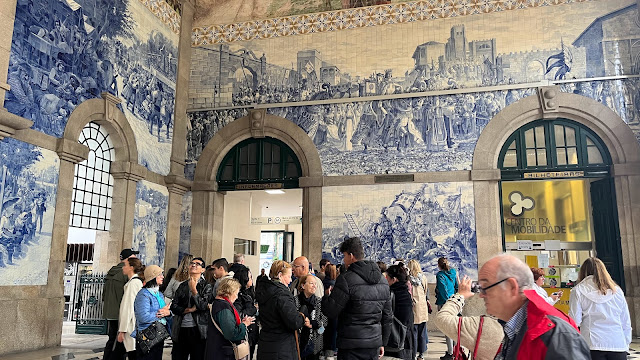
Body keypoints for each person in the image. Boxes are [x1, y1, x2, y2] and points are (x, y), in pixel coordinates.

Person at [478, 254, 590, 360]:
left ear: (512, 287)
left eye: (485, 286)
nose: (481, 294)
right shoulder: (515, 327)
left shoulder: (556, 335)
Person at [322, 237, 393, 360]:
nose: (343, 260)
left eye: (344, 256)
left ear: (351, 255)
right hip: (373, 342)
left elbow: (330, 311)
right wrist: (383, 342)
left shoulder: (346, 279)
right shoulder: (382, 280)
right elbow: (387, 316)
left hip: (350, 344)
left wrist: (326, 296)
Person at [569, 257, 632, 360]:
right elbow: (625, 320)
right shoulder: (616, 291)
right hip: (617, 342)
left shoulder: (577, 291)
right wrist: (626, 342)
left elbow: (575, 321)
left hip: (592, 343)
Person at [434, 275, 503, 360]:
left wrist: (460, 295)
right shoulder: (522, 326)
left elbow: (442, 318)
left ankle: (450, 352)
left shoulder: (480, 326)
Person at [256, 260, 309, 360]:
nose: (290, 281)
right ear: (280, 275)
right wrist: (302, 313)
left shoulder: (264, 290)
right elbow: (294, 322)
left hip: (265, 344)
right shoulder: (282, 295)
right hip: (282, 348)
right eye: (288, 277)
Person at [170, 257, 212, 360]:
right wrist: (187, 310)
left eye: (198, 264)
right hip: (181, 328)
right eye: (192, 263)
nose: (194, 265)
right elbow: (173, 306)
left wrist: (194, 290)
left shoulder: (207, 286)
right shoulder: (183, 285)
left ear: (203, 270)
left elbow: (203, 306)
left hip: (198, 329)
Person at [205, 278, 256, 360]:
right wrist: (244, 325)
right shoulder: (224, 307)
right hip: (223, 353)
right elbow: (231, 334)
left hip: (216, 350)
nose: (236, 297)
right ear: (229, 292)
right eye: (236, 293)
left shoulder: (217, 303)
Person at [104, 248, 139, 360]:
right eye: (133, 256)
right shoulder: (125, 273)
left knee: (113, 339)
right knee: (119, 341)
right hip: (120, 312)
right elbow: (127, 297)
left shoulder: (111, 272)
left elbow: (104, 293)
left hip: (110, 310)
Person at [134, 265, 172, 360]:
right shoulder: (143, 294)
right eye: (160, 275)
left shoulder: (159, 294)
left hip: (159, 334)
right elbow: (143, 316)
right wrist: (161, 314)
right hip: (147, 335)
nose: (163, 277)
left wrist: (168, 312)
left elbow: (165, 311)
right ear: (153, 277)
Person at [294, 274, 328, 360]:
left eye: (315, 284)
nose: (314, 286)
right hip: (298, 342)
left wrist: (312, 324)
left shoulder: (319, 301)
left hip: (314, 344)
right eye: (311, 283)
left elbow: (325, 321)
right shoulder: (295, 300)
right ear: (303, 285)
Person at [384, 264, 414, 360]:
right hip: (406, 339)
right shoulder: (406, 293)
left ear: (394, 279)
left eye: (387, 278)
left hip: (394, 340)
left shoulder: (392, 294)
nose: (386, 280)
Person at [117, 257, 145, 360]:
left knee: (132, 353)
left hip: (131, 326)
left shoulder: (133, 283)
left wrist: (122, 330)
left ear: (131, 268)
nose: (123, 268)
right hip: (133, 326)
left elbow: (128, 307)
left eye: (125, 265)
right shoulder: (135, 282)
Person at [232, 263, 259, 360]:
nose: (252, 279)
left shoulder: (249, 293)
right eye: (250, 277)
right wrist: (254, 309)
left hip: (251, 334)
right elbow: (238, 314)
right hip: (244, 334)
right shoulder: (238, 296)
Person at [435, 257, 457, 359]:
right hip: (454, 302)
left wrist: (447, 302)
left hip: (444, 303)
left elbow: (443, 289)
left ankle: (450, 352)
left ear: (439, 265)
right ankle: (456, 350)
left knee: (446, 328)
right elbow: (457, 286)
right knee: (454, 327)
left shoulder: (440, 275)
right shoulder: (453, 272)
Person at [408, 260, 429, 360]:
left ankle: (414, 354)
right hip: (423, 306)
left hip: (413, 307)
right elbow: (425, 290)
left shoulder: (408, 279)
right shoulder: (423, 277)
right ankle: (421, 354)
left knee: (414, 332)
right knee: (422, 333)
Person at [322, 263, 338, 358]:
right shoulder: (336, 284)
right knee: (333, 332)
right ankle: (332, 350)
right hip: (334, 312)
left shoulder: (322, 282)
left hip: (324, 310)